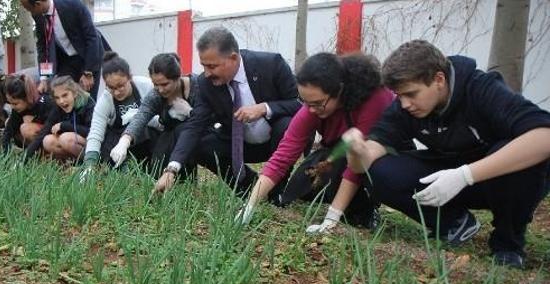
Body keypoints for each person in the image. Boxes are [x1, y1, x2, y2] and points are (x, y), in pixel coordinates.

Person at [343, 40, 550, 269]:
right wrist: (357, 151)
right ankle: (453, 223)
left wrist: (465, 175)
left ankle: (508, 244)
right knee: (378, 172)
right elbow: (366, 160)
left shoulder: (480, 88)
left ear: (439, 80)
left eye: (411, 94)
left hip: (497, 179)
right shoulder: (404, 108)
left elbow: (543, 136)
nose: (405, 104)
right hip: (446, 173)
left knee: (519, 156)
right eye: (399, 95)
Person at [239, 53, 395, 231]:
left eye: (317, 103)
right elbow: (282, 156)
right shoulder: (312, 108)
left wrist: (331, 218)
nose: (311, 110)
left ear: (340, 90)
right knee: (301, 188)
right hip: (336, 151)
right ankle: (341, 196)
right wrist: (249, 206)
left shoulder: (374, 98)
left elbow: (355, 168)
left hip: (377, 153)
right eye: (306, 103)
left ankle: (365, 208)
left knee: (349, 168)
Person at [153, 27, 301, 196]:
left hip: (277, 141)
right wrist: (171, 169)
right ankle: (248, 186)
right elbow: (194, 126)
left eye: (212, 66)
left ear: (233, 58)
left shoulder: (271, 64)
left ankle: (276, 191)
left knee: (287, 125)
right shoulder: (205, 83)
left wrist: (264, 108)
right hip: (238, 145)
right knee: (199, 139)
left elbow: (299, 104)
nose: (207, 73)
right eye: (203, 66)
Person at [119, 53, 199, 178]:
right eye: (156, 84)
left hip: (197, 135)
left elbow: (209, 117)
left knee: (183, 132)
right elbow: (141, 116)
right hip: (168, 137)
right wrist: (125, 140)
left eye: (165, 84)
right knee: (157, 167)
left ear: (177, 77)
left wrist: (190, 112)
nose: (160, 90)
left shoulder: (197, 86)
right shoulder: (156, 95)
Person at [82, 52, 160, 172]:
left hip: (147, 140)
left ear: (130, 77)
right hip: (118, 145)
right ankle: (122, 169)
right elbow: (95, 134)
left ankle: (151, 168)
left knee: (144, 129)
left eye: (121, 86)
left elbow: (162, 121)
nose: (117, 92)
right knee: (106, 136)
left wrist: (139, 118)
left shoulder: (147, 86)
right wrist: (89, 165)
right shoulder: (105, 100)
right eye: (111, 87)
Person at [19, 0, 107, 98]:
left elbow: (92, 38)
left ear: (38, 4)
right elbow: (44, 48)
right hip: (66, 62)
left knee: (87, 102)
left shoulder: (73, 5)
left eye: (30, 9)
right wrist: (44, 78)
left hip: (88, 58)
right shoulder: (38, 16)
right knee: (62, 97)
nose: (30, 12)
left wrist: (88, 73)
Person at [24, 75, 95, 162]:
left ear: (75, 93)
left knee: (65, 139)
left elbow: (92, 132)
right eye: (57, 98)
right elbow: (43, 132)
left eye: (65, 95)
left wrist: (64, 125)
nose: (61, 101)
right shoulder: (58, 107)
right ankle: (69, 162)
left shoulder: (88, 103)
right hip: (72, 141)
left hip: (92, 144)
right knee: (47, 141)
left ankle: (91, 163)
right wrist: (25, 158)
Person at [1, 74, 54, 152]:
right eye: (10, 103)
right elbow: (9, 130)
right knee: (9, 122)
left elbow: (48, 129)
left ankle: (46, 155)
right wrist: (4, 151)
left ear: (27, 97)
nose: (12, 107)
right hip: (38, 141)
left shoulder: (45, 104)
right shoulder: (18, 109)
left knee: (26, 128)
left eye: (15, 104)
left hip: (52, 137)